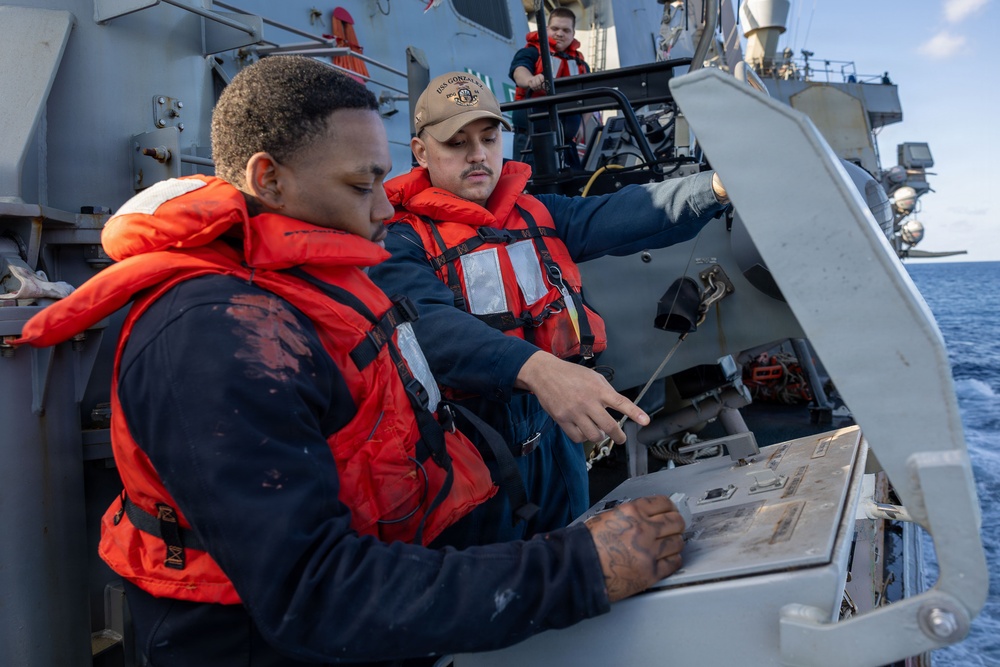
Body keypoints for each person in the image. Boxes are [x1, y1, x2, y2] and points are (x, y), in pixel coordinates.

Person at [15, 56, 687, 667]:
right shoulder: (214, 337)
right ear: (269, 180)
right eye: (363, 183)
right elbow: (314, 590)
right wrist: (575, 569)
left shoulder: (309, 280)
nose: (386, 206)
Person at [370, 72, 729, 549]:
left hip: (552, 439)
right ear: (420, 151)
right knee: (497, 578)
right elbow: (431, 329)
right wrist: (540, 371)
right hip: (472, 452)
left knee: (574, 554)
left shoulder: (537, 213)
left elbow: (625, 212)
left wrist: (716, 187)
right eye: (456, 143)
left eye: (489, 138)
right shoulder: (399, 241)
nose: (477, 155)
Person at [509, 7, 591, 169]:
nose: (560, 34)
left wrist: (583, 125)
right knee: (530, 180)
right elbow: (519, 71)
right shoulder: (531, 52)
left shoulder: (581, 64)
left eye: (566, 30)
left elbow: (589, 96)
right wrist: (531, 80)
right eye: (555, 28)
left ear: (573, 34)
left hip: (567, 145)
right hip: (531, 141)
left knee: (576, 181)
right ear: (546, 29)